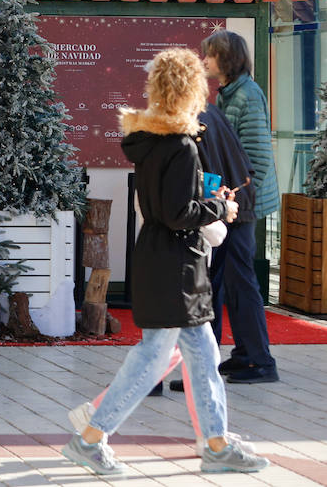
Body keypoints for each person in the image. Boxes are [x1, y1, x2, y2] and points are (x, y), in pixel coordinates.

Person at [60, 48, 267, 477]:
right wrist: (217, 208)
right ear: (192, 89)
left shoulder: (150, 140)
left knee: (203, 353)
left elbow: (165, 209)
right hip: (178, 263)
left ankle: (215, 441)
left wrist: (203, 205)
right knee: (153, 358)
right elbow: (179, 213)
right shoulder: (182, 146)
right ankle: (91, 438)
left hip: (162, 257)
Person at [201, 29, 280, 385]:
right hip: (233, 202)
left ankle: (260, 361)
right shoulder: (231, 93)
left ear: (227, 59)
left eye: (210, 54)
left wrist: (233, 203)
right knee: (225, 281)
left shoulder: (246, 95)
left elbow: (257, 162)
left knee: (240, 280)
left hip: (241, 206)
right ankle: (239, 355)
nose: (205, 60)